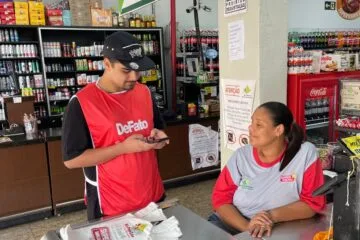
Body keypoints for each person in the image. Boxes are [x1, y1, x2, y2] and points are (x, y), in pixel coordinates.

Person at [61, 31, 169, 220]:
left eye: (138, 70)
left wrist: (158, 137)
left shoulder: (144, 92)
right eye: (126, 70)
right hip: (110, 204)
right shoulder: (82, 103)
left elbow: (158, 128)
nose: (135, 77)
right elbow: (72, 160)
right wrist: (123, 148)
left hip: (152, 194)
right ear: (107, 64)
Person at [209, 102, 325, 238]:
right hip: (232, 224)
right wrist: (248, 228)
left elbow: (312, 203)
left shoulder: (304, 154)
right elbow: (221, 199)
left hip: (277, 227)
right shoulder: (241, 156)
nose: (250, 128)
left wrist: (271, 216)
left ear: (278, 130)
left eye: (259, 125)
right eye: (252, 123)